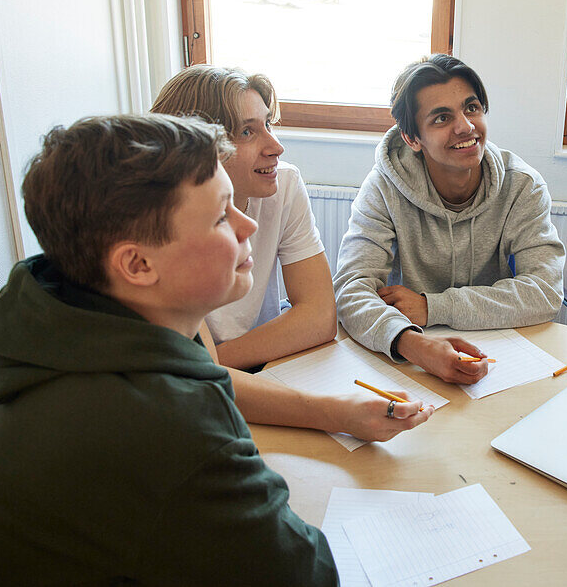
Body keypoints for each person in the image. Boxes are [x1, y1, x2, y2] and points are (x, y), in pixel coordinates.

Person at [0, 115, 336, 585]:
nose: (246, 226)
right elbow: (306, 574)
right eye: (222, 214)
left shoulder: (73, 336)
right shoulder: (163, 422)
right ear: (137, 264)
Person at [153, 65, 432, 441]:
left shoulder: (282, 183)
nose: (276, 146)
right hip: (201, 393)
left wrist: (213, 361)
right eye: (248, 132)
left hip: (252, 369)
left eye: (269, 124)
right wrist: (334, 412)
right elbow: (201, 381)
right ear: (194, 148)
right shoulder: (161, 225)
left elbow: (319, 317)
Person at [334, 54, 566, 384]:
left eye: (471, 108)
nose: (466, 127)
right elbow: (351, 290)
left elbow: (544, 292)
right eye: (442, 118)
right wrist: (410, 343)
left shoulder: (522, 185)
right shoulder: (384, 187)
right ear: (412, 139)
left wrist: (434, 307)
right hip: (411, 351)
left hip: (499, 351)